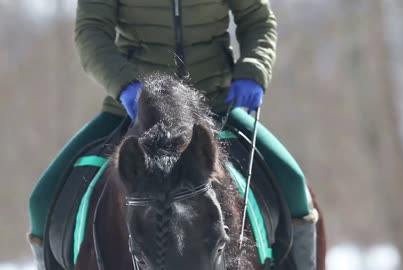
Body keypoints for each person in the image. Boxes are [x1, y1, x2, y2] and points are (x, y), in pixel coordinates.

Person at [28, 0, 318, 269]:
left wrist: (253, 69)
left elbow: (257, 19)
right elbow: (91, 32)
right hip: (134, 108)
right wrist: (125, 85)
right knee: (41, 203)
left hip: (215, 103)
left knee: (294, 186)